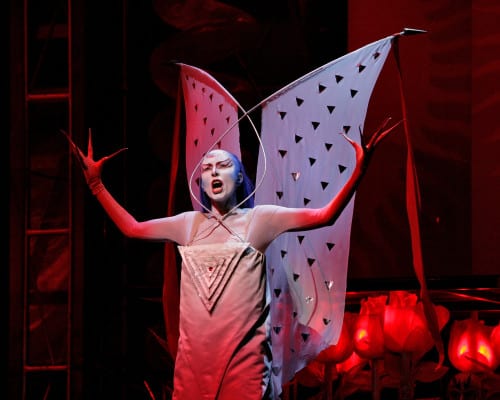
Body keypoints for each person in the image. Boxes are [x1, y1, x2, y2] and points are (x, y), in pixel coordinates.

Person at [65, 118, 398, 399]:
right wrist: (95, 184)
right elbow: (134, 228)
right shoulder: (188, 224)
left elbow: (324, 215)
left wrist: (358, 172)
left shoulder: (260, 220)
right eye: (207, 167)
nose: (213, 172)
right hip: (195, 364)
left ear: (239, 178)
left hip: (244, 362)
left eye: (223, 166)